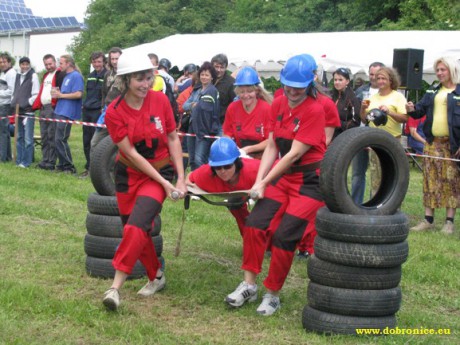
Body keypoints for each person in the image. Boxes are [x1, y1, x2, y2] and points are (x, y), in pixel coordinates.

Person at [225, 54, 326, 316]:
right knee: (255, 225)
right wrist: (260, 181)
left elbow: (293, 154)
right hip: (283, 177)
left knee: (285, 236)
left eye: (298, 87)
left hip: (308, 182)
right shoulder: (279, 103)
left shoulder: (315, 109)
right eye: (287, 85)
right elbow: (272, 144)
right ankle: (248, 285)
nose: (292, 91)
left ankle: (272, 294)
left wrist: (264, 181)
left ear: (311, 83)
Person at [101, 51, 187, 311]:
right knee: (137, 230)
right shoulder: (114, 112)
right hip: (129, 174)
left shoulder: (161, 101)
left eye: (149, 77)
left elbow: (172, 138)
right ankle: (156, 276)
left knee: (137, 225)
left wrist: (179, 179)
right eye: (139, 79)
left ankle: (115, 287)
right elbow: (131, 154)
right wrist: (164, 182)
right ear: (125, 80)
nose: (145, 84)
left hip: (160, 172)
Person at [407, 57, 460, 235]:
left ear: (451, 70)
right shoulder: (433, 90)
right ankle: (428, 220)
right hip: (431, 143)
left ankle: (449, 222)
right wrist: (411, 108)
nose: (439, 73)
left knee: (451, 182)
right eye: (437, 70)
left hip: (452, 145)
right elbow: (419, 110)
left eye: (442, 70)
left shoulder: (459, 91)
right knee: (430, 181)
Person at [186, 137, 260, 236]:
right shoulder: (206, 173)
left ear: (236, 163)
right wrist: (186, 183)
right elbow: (190, 177)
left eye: (227, 166)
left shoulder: (254, 169)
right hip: (237, 198)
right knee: (234, 203)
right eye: (218, 167)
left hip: (266, 189)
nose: (223, 171)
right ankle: (248, 236)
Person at [360, 66, 408, 195]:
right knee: (376, 175)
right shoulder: (373, 97)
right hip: (375, 140)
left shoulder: (398, 97)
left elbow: (404, 118)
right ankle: (375, 201)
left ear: (391, 80)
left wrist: (389, 112)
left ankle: (391, 203)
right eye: (378, 78)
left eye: (384, 78)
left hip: (392, 140)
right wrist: (362, 109)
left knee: (391, 173)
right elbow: (365, 120)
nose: (380, 81)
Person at [352, 62, 385, 204]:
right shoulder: (360, 91)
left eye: (377, 74)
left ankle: (376, 204)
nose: (374, 77)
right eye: (371, 74)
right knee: (357, 174)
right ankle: (355, 204)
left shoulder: (387, 93)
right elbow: (357, 115)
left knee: (379, 175)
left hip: (380, 138)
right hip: (360, 135)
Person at [223, 66, 272, 159]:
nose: (245, 95)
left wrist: (249, 149)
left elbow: (270, 141)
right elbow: (227, 134)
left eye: (249, 91)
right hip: (240, 155)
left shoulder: (266, 109)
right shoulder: (232, 108)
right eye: (241, 92)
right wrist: (231, 148)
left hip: (263, 157)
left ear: (256, 91)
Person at [51, 54, 84, 174]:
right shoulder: (66, 76)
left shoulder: (76, 76)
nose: (59, 66)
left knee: (61, 139)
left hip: (67, 112)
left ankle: (69, 167)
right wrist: (58, 93)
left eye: (61, 63)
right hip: (60, 110)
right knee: (57, 139)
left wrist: (61, 95)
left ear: (69, 64)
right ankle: (61, 165)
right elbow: (66, 93)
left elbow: (78, 94)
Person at [32, 54, 64, 171]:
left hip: (52, 107)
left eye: (50, 64)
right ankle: (45, 160)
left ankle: (51, 161)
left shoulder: (59, 74)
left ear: (55, 62)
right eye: (46, 64)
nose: (49, 66)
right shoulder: (45, 75)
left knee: (52, 135)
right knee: (44, 135)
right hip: (43, 107)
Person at [187, 61, 220, 171]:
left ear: (212, 77)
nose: (204, 77)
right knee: (191, 159)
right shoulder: (196, 90)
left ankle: (203, 181)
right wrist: (194, 106)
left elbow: (205, 109)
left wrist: (195, 106)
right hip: (192, 127)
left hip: (204, 129)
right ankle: (193, 181)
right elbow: (185, 105)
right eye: (202, 74)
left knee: (199, 159)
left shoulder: (213, 91)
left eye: (207, 75)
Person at [80, 51, 107, 177]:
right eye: (94, 62)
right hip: (87, 110)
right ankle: (88, 166)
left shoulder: (107, 75)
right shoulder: (90, 76)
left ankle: (96, 168)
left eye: (99, 62)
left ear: (104, 62)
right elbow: (88, 93)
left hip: (98, 111)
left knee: (95, 141)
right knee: (86, 140)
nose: (97, 64)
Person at [90, 47, 122, 152]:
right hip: (107, 111)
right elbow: (104, 92)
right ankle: (93, 167)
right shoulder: (108, 74)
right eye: (112, 59)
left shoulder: (128, 74)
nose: (114, 61)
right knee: (95, 142)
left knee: (119, 143)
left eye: (117, 59)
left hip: (121, 113)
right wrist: (102, 107)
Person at [11, 57, 39, 168]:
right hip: (18, 111)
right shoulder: (17, 76)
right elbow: (15, 91)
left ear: (29, 65)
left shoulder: (33, 75)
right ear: (20, 65)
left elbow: (36, 93)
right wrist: (14, 101)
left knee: (28, 139)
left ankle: (26, 162)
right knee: (19, 137)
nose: (25, 66)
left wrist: (27, 102)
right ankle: (19, 160)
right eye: (22, 64)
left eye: (27, 64)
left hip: (28, 111)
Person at [331, 67, 361, 139]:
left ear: (347, 81)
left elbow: (355, 123)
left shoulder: (353, 99)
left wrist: (336, 122)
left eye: (340, 80)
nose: (337, 82)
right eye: (335, 80)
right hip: (329, 134)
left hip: (344, 138)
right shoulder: (330, 96)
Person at [211, 54, 236, 126]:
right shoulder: (206, 79)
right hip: (206, 122)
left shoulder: (231, 82)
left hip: (222, 123)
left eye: (222, 67)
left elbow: (235, 103)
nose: (219, 70)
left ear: (226, 68)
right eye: (216, 67)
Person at [0, 52, 16, 162]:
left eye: (4, 62)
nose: (2, 64)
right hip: (1, 104)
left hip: (5, 105)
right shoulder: (3, 73)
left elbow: (11, 91)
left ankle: (2, 157)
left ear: (9, 62)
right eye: (0, 62)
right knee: (3, 132)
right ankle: (7, 156)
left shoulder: (11, 73)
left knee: (3, 132)